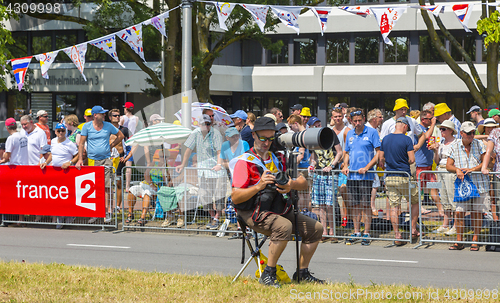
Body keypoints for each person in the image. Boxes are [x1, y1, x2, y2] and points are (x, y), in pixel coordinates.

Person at [230, 116, 324, 287]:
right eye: (262, 138)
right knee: (284, 226)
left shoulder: (280, 157)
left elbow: (303, 182)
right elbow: (235, 196)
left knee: (315, 228)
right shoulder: (245, 162)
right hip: (252, 212)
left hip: (278, 207)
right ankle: (268, 273)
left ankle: (302, 273)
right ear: (254, 135)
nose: (266, 142)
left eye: (270, 138)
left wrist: (290, 185)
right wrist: (258, 186)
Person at [176, 114, 226, 230]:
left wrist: (219, 164)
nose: (206, 126)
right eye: (204, 124)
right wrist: (183, 164)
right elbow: (188, 149)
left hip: (216, 170)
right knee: (204, 195)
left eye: (208, 124)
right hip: (203, 170)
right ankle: (212, 217)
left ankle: (217, 218)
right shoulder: (195, 133)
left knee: (218, 196)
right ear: (199, 124)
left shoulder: (216, 133)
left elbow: (219, 151)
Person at [76, 106, 124, 223]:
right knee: (94, 188)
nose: (104, 115)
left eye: (104, 113)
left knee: (107, 187)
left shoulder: (108, 125)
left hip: (107, 159)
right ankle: (96, 213)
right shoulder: (87, 126)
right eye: (101, 113)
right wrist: (80, 159)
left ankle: (108, 212)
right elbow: (81, 143)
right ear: (95, 115)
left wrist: (111, 145)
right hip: (92, 160)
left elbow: (121, 136)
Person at [447, 122, 489, 251]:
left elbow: (486, 163)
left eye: (473, 132)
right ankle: (459, 241)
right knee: (459, 212)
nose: (472, 135)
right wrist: (457, 170)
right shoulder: (454, 145)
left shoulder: (479, 144)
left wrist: (473, 169)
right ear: (461, 133)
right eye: (469, 133)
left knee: (477, 213)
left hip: (479, 183)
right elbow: (448, 165)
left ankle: (475, 240)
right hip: (462, 185)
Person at [342, 108, 380, 245]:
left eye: (360, 120)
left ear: (364, 119)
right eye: (355, 121)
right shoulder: (350, 133)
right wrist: (345, 165)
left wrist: (367, 167)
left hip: (366, 176)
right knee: (354, 205)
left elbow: (378, 153)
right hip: (352, 176)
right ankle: (356, 231)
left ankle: (367, 233)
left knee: (365, 205)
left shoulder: (372, 132)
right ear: (351, 121)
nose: (357, 123)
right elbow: (346, 152)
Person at [379, 117, 419, 245]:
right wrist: (403, 161)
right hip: (404, 176)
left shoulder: (385, 139)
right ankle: (413, 229)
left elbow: (380, 159)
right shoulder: (407, 139)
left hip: (389, 177)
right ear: (405, 127)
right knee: (415, 201)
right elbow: (412, 159)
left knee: (394, 206)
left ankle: (397, 235)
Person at [309, 117, 342, 242]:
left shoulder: (330, 133)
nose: (317, 126)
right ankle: (324, 231)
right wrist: (312, 165)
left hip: (331, 174)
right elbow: (314, 157)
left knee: (330, 204)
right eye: (314, 125)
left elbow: (339, 152)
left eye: (318, 124)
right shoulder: (311, 137)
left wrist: (332, 166)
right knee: (321, 204)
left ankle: (332, 231)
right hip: (318, 174)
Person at [126, 150, 171, 226]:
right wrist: (151, 184)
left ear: (168, 158)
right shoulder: (153, 164)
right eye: (161, 156)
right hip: (147, 184)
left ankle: (143, 217)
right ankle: (130, 214)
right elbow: (146, 174)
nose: (163, 158)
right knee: (132, 189)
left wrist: (164, 169)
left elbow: (167, 179)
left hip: (158, 188)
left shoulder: (169, 168)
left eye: (165, 157)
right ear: (158, 157)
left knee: (147, 193)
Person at [433, 120, 458, 235]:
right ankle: (445, 224)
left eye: (444, 129)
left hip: (450, 171)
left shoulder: (456, 142)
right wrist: (436, 150)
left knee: (452, 197)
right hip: (441, 169)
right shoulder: (442, 143)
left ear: (451, 131)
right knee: (444, 198)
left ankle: (456, 225)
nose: (441, 131)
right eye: (441, 129)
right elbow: (436, 161)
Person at [415, 109, 440, 215]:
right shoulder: (418, 128)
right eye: (430, 119)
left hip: (429, 164)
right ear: (423, 119)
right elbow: (425, 136)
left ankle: (440, 208)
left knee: (434, 186)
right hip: (419, 165)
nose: (432, 120)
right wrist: (433, 124)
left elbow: (429, 139)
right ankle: (418, 208)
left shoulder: (428, 129)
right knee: (418, 189)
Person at [331, 107, 351, 227]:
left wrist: (345, 162)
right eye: (335, 116)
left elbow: (347, 148)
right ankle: (337, 219)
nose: (338, 118)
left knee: (345, 193)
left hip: (343, 165)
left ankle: (347, 219)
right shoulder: (330, 130)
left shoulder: (347, 130)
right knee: (333, 194)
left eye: (339, 116)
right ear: (332, 117)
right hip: (334, 165)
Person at [108, 109, 131, 212]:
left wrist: (125, 157)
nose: (117, 117)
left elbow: (129, 144)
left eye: (118, 115)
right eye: (114, 115)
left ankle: (117, 206)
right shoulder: (106, 129)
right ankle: (108, 207)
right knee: (107, 184)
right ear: (110, 117)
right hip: (108, 159)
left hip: (120, 159)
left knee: (118, 183)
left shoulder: (124, 130)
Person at [288, 114, 311, 209]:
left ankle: (303, 214)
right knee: (306, 194)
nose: (291, 129)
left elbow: (301, 155)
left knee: (302, 195)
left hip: (302, 168)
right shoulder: (306, 133)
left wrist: (291, 166)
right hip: (306, 167)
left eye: (291, 126)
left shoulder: (302, 135)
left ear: (296, 123)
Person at [119, 102, 138, 194]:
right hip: (132, 140)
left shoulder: (122, 118)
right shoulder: (136, 118)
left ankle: (118, 183)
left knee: (118, 162)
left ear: (125, 109)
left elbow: (119, 129)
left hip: (124, 141)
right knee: (128, 166)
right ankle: (127, 186)